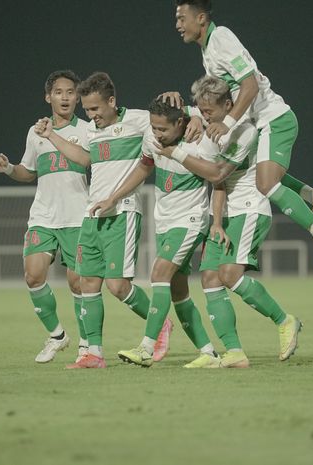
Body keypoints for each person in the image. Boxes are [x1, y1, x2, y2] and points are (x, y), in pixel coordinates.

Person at [173, 0, 313, 270]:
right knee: (266, 173)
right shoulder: (209, 48)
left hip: (273, 119)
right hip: (258, 123)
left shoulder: (221, 38)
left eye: (182, 18)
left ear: (200, 18)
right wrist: (194, 112)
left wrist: (226, 122)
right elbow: (217, 96)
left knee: (265, 184)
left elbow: (249, 85)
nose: (178, 25)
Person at [158, 76, 302, 365]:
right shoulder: (212, 127)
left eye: (209, 111)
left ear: (228, 104)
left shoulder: (246, 129)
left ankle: (284, 320)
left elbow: (217, 175)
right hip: (225, 213)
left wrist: (177, 152)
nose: (204, 115)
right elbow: (218, 185)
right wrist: (216, 223)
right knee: (210, 277)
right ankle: (234, 352)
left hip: (249, 208)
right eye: (201, 109)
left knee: (229, 274)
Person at [34, 72, 173, 369]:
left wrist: (188, 111)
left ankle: (160, 323)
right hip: (92, 215)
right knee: (87, 284)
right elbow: (85, 160)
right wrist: (51, 136)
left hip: (122, 212)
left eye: (96, 109)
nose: (91, 115)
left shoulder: (137, 120)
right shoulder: (93, 131)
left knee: (118, 287)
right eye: (87, 110)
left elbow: (170, 126)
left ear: (112, 101)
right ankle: (93, 353)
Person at [89, 98, 221, 368]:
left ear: (180, 123)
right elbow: (144, 167)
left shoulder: (200, 140)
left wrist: (181, 147)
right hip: (165, 221)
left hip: (190, 220)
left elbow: (217, 175)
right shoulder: (152, 138)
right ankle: (209, 353)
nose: (157, 134)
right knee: (178, 292)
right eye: (153, 127)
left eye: (163, 129)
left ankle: (147, 347)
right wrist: (114, 197)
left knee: (158, 273)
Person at [0, 70, 90, 364]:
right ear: (48, 97)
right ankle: (57, 335)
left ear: (78, 97)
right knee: (32, 275)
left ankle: (87, 345)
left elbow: (87, 162)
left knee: (78, 283)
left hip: (76, 217)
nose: (66, 97)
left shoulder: (86, 129)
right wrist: (10, 168)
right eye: (59, 92)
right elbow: (28, 172)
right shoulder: (35, 132)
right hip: (43, 216)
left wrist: (54, 135)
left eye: (71, 92)